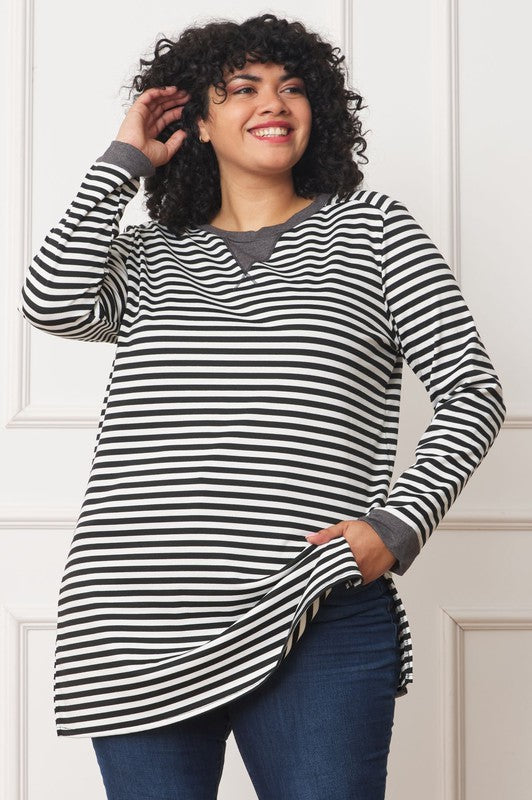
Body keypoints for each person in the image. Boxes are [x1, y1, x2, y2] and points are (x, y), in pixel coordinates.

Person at [17, 12, 506, 800]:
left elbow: (471, 392)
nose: (273, 102)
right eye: (242, 88)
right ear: (198, 122)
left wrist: (394, 528)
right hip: (137, 619)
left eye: (292, 87)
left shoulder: (374, 230)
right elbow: (51, 299)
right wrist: (125, 158)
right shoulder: (152, 255)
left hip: (314, 605)